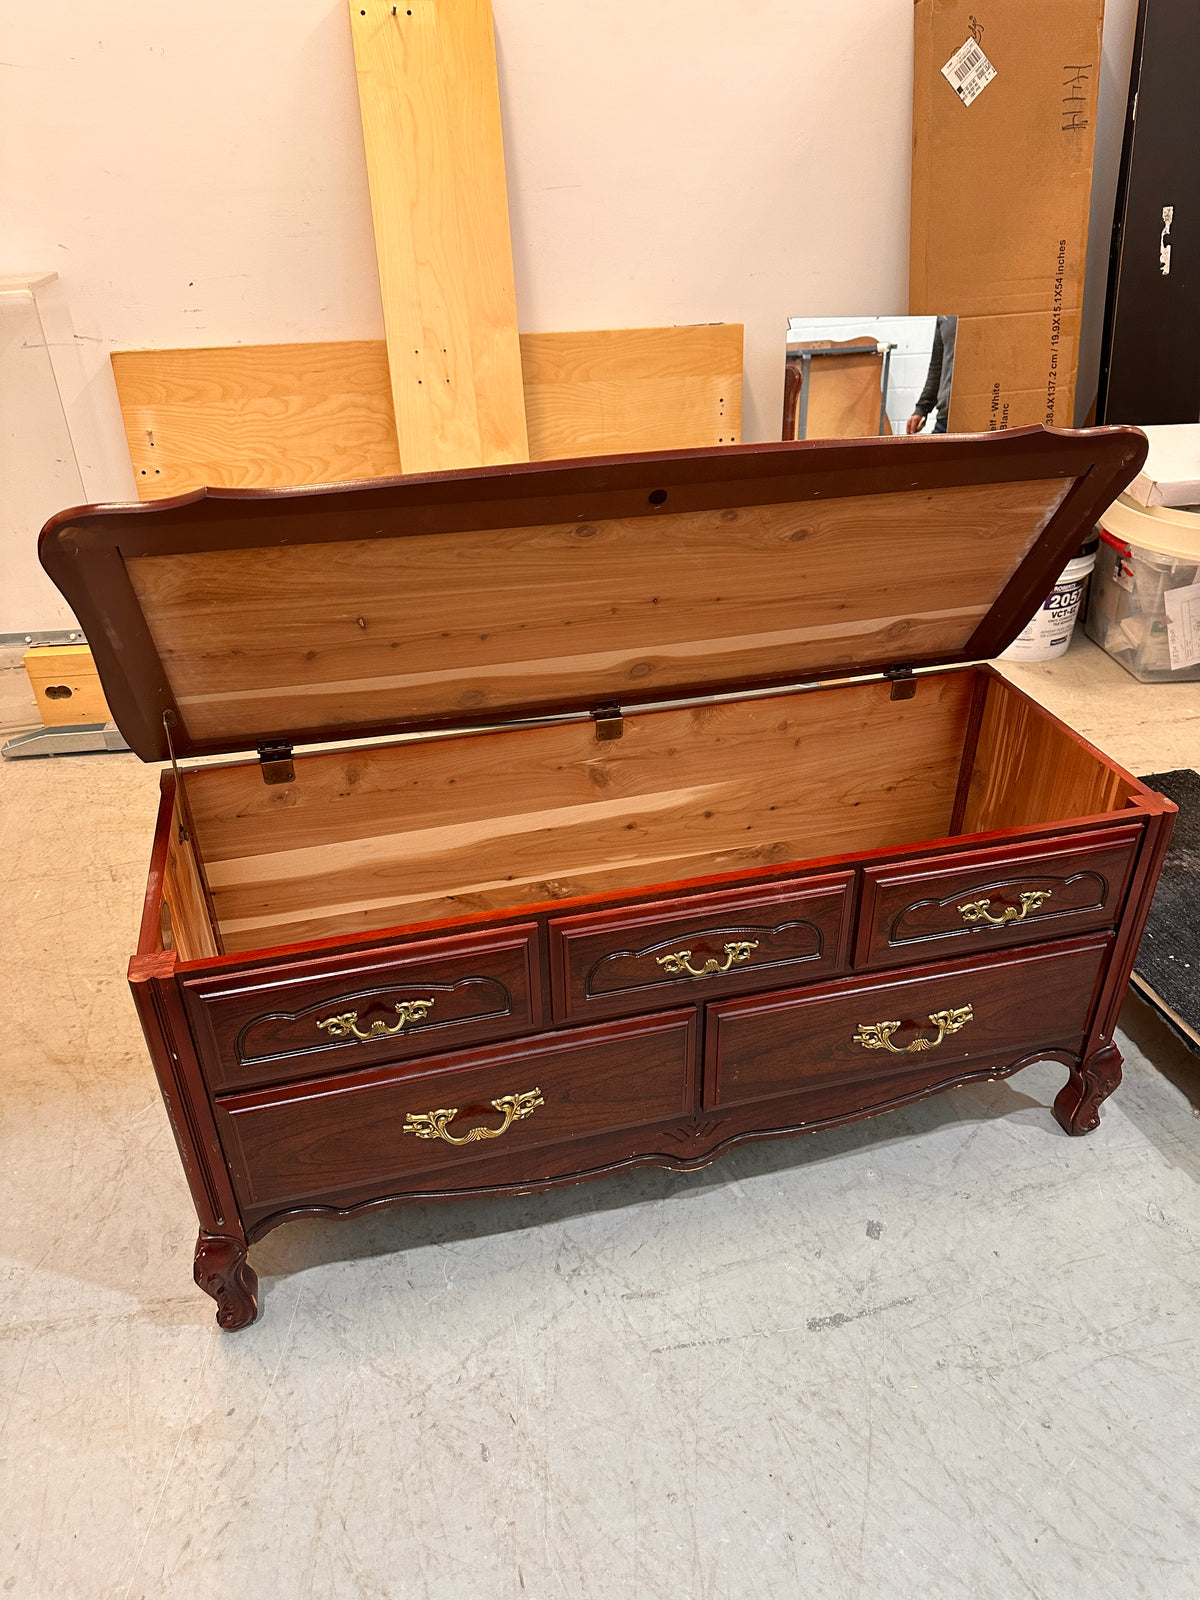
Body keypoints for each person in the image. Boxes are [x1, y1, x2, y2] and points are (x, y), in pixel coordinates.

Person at [906, 314, 957, 434]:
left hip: (983, 414)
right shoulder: (945, 315)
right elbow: (937, 366)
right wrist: (922, 409)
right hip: (946, 417)